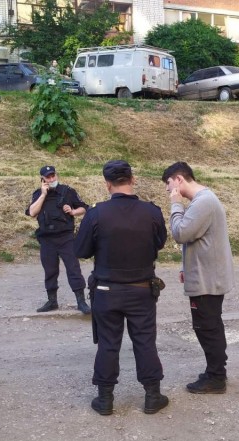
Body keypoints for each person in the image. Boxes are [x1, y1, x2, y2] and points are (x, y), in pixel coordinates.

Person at [74, 160, 169, 416]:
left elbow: (81, 250)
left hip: (106, 291)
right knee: (145, 341)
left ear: (107, 184)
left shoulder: (95, 214)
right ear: (132, 179)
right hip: (141, 289)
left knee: (108, 343)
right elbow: (159, 243)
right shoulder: (151, 212)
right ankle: (152, 396)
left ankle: (105, 399)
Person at [162, 161, 234, 394]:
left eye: (169, 183)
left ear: (179, 179)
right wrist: (186, 266)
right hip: (207, 274)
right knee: (210, 325)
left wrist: (175, 205)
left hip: (207, 279)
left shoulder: (203, 202)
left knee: (207, 327)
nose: (168, 190)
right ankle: (216, 372)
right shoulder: (203, 200)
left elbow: (181, 233)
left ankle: (216, 377)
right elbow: (198, 238)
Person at [26, 165, 90, 314]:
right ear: (42, 179)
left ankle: (81, 302)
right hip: (47, 239)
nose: (51, 179)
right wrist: (43, 194)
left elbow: (84, 208)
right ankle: (52, 301)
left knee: (73, 269)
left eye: (53, 175)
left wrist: (73, 211)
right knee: (50, 270)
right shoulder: (37, 193)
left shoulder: (68, 191)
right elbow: (32, 212)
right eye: (48, 177)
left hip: (66, 237)